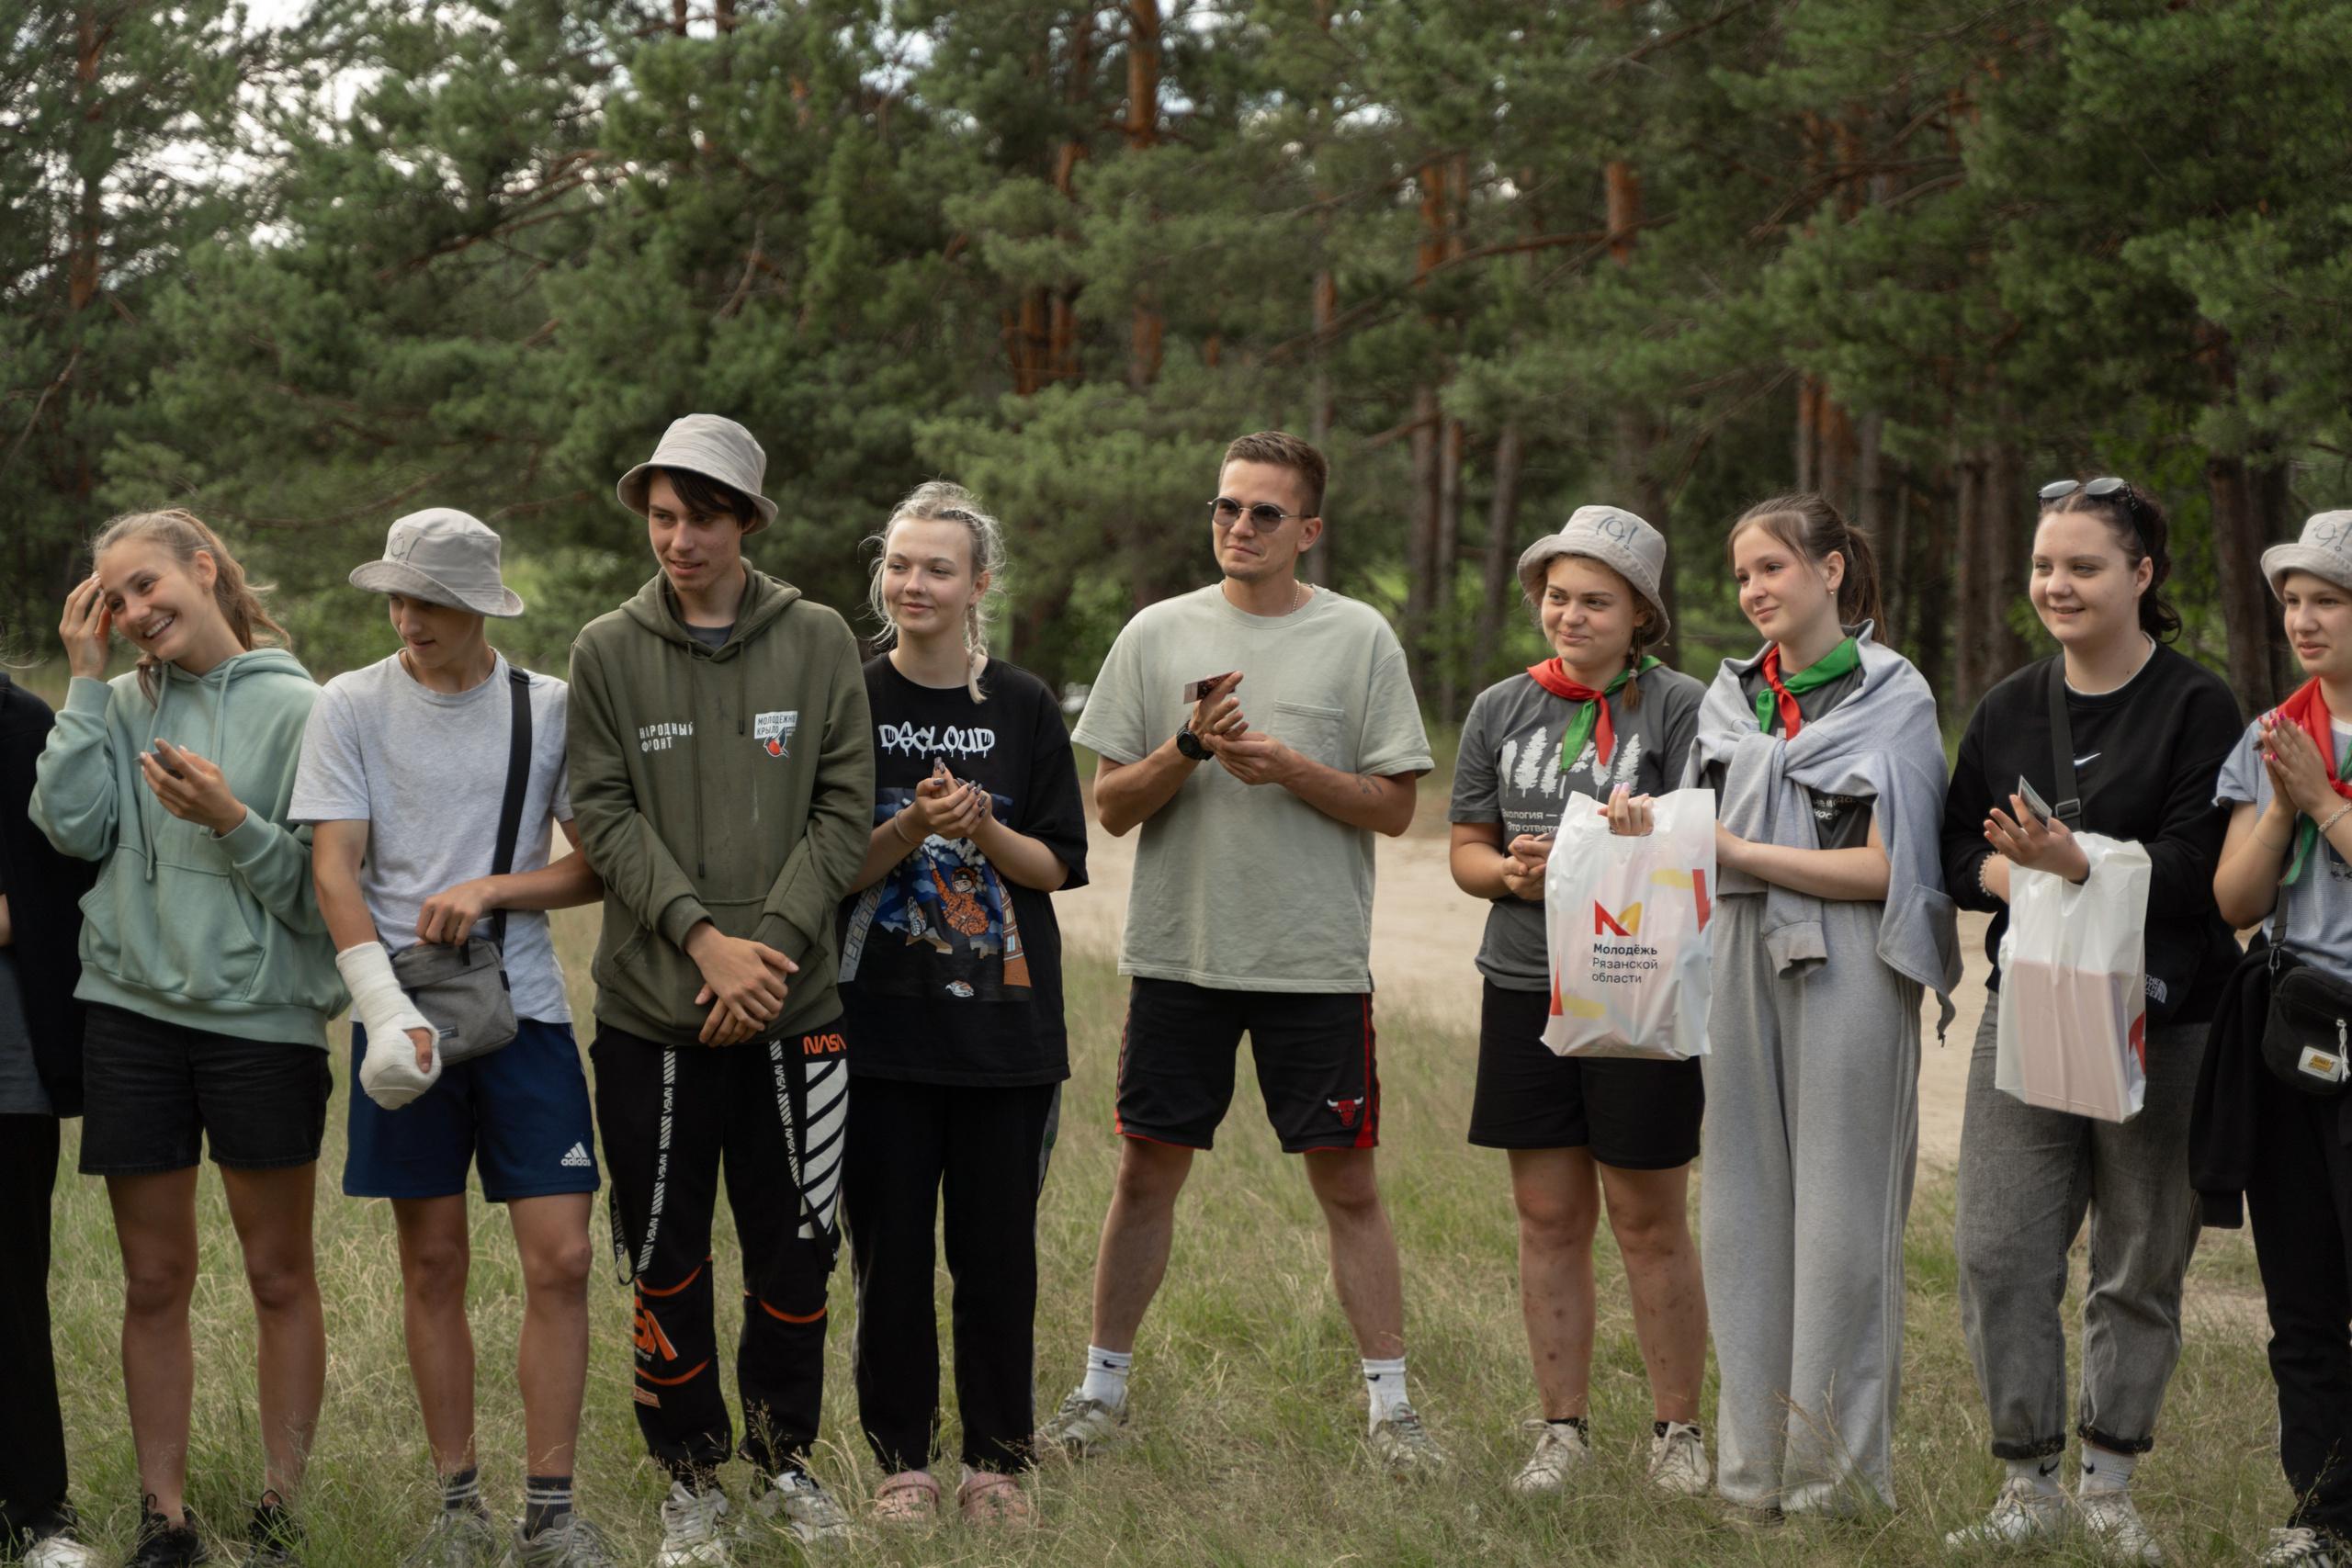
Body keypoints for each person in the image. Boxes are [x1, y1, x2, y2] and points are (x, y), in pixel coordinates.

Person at [1043, 430, 1440, 1472]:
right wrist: (1186, 749)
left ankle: (1392, 1414)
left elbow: (1396, 809)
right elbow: (1111, 808)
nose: (1240, 527)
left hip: (1312, 962)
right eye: (1226, 507)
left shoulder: (1360, 640)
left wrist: (1290, 770)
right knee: (1144, 1175)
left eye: (1266, 513)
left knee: (1347, 1185)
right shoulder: (1156, 632)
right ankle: (1100, 1392)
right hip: (1182, 956)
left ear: (1308, 529)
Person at [567, 415, 874, 1564]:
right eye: (661, 517)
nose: (679, 539)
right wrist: (704, 943)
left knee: (798, 1245)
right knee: (661, 1251)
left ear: (746, 519)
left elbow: (846, 808)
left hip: (799, 1018)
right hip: (654, 1011)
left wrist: (771, 950)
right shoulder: (606, 647)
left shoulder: (820, 636)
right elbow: (601, 811)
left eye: (701, 517)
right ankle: (689, 1479)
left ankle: (786, 1458)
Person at [294, 511, 611, 1567]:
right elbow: (334, 867)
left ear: (480, 604)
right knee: (432, 1262)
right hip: (402, 1018)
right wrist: (381, 1010)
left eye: (429, 600)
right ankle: (458, 1509)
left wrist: (493, 887)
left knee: (561, 1258)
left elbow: (595, 864)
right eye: (397, 596)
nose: (406, 617)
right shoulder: (347, 704)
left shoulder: (551, 709)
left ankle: (553, 1516)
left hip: (527, 1016)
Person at [29, 510, 344, 1568]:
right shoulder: (113, 706)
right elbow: (69, 831)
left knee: (276, 1274)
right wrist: (82, 679)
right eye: (113, 600)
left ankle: (282, 1509)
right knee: (153, 1278)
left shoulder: (305, 708)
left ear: (203, 570)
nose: (134, 612)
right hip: (130, 1019)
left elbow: (319, 899)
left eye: (147, 584)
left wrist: (230, 819)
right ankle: (164, 1520)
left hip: (262, 1026)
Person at [1940, 479, 2240, 1562]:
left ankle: (2109, 1487)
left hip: (2168, 1021)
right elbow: (1950, 854)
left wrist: (2076, 864)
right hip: (2030, 1006)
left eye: (2083, 567)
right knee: (1997, 1249)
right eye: (2043, 567)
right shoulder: (2009, 705)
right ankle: (2026, 1487)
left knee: (2138, 1259)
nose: (2056, 586)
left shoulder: (2200, 707)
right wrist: (2017, 882)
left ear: (2142, 577)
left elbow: (2206, 871)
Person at [1682, 492, 1958, 1517]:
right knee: (1743, 1214)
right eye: (1742, 573)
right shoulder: (1728, 701)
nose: (1754, 590)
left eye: (1773, 568)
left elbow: (1893, 870)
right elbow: (1687, 842)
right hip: (1734, 949)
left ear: (1832, 570)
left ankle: (1833, 1488)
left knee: (1842, 1227)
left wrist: (1739, 850)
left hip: (1846, 957)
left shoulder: (1894, 695)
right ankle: (1749, 1474)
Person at [834, 483, 1088, 1529]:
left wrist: (980, 830)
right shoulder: (848, 698)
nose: (914, 584)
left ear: (979, 584)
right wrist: (907, 832)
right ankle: (902, 1462)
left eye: (938, 568)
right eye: (898, 565)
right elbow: (830, 871)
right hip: (878, 1033)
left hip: (1006, 1039)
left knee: (996, 1260)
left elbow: (1057, 865)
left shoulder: (1022, 705)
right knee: (888, 1256)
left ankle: (996, 1461)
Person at [1446, 506, 1710, 1498]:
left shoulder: (1681, 709)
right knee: (1547, 1215)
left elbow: (1698, 843)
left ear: (1640, 613)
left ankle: (1676, 1433)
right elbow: (1466, 848)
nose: (1570, 616)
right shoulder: (1497, 709)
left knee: (1648, 1219)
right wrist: (1510, 878)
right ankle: (1561, 1429)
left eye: (1595, 601)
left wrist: (1617, 844)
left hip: (1637, 989)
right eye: (1556, 597)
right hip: (1523, 983)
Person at [2209, 512, 2352, 1568]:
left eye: (2328, 601)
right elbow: (2233, 901)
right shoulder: (2273, 729)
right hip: (2295, 1033)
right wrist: (2278, 806)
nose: (2302, 620)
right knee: (2299, 1294)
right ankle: (2319, 1517)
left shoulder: (2308, 755)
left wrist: (2325, 802)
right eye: (2293, 601)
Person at [0, 667, 98, 1567]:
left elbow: (58, 885)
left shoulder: (22, 720)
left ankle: (38, 1512)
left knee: (13, 1284)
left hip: (7, 1061)